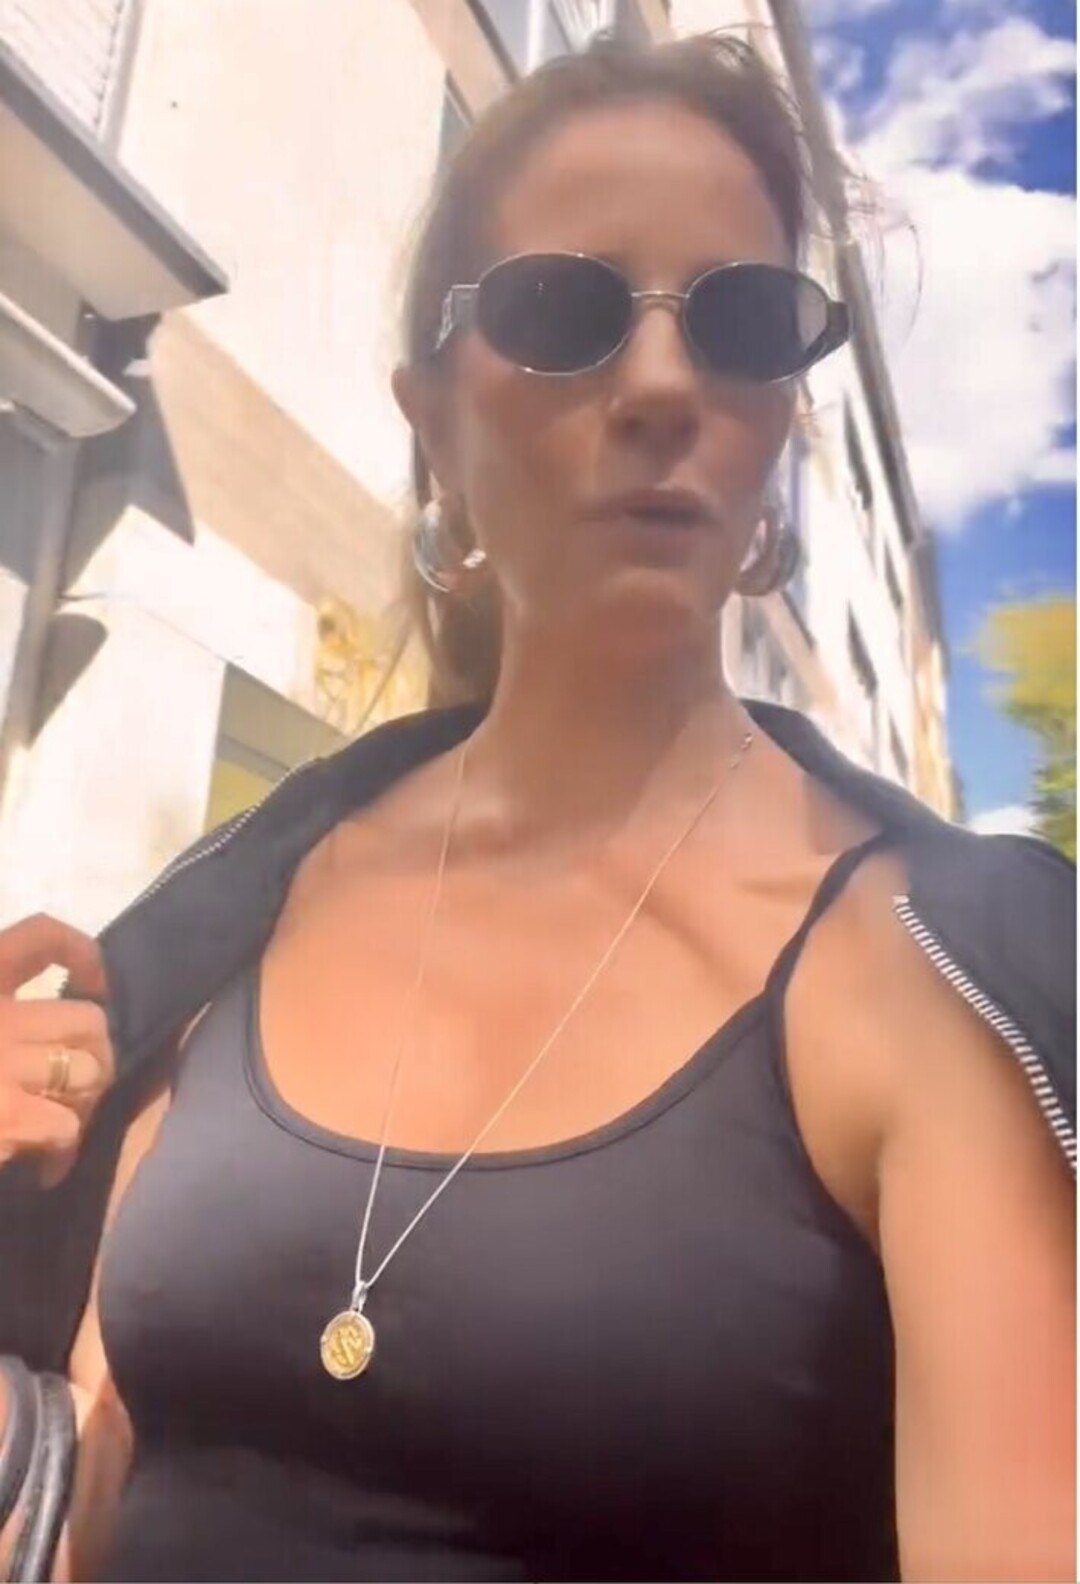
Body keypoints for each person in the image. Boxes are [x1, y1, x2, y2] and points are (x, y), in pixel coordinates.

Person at [0, 31, 1074, 1584]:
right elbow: (101, 1486)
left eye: (742, 322)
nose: (663, 384)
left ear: (782, 418)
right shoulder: (241, 904)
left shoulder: (925, 975)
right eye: (564, 312)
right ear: (431, 421)